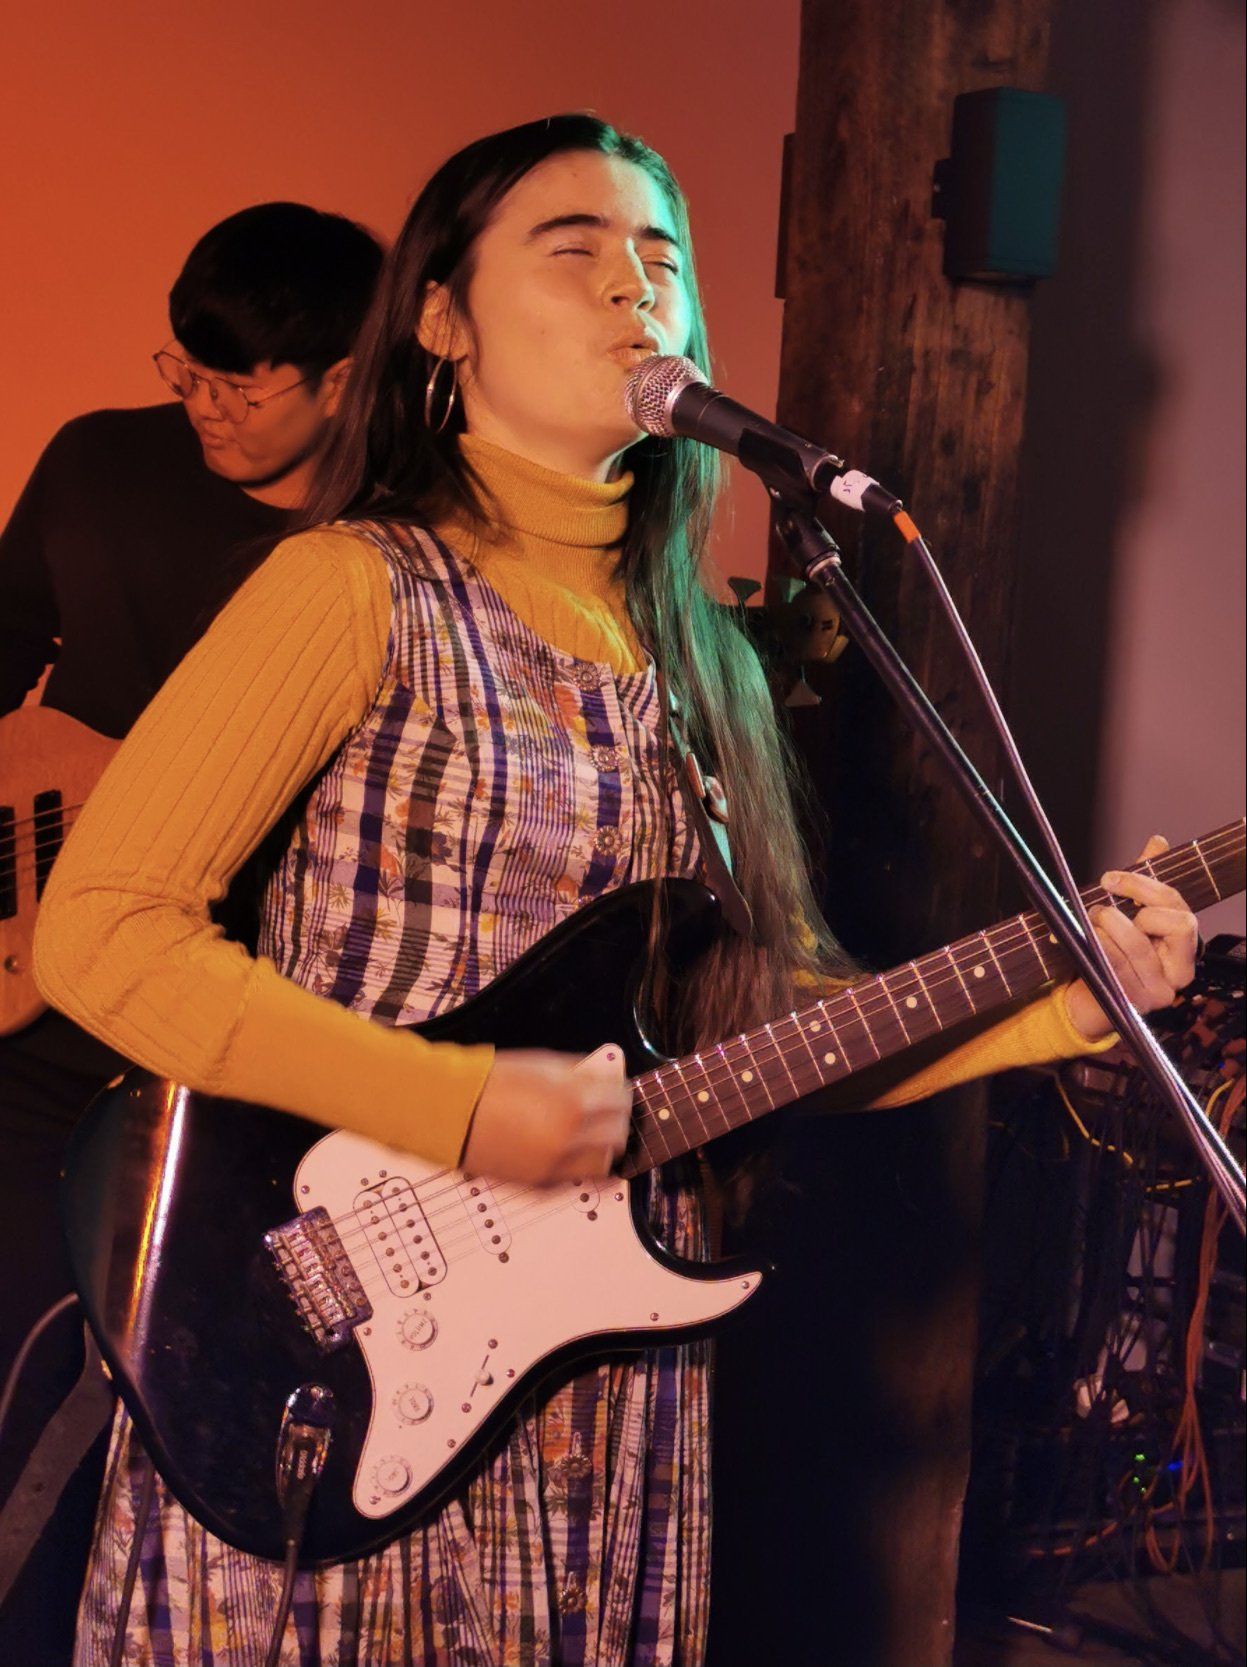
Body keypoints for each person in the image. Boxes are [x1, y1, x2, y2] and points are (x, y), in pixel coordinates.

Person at [33, 116, 1198, 1667]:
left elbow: (758, 1035)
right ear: (441, 320)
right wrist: (455, 1104)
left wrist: (1056, 1011)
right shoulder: (353, 588)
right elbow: (101, 932)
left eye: (660, 258)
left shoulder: (704, 662)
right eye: (571, 248)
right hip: (348, 1331)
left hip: (596, 1366)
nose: (631, 289)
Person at [0, 201, 383, 1664]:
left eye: (241, 384)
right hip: (40, 1008)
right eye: (186, 371)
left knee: (157, 1416)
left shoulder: (383, 549)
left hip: (227, 1046)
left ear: (344, 376)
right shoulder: (99, 462)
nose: (203, 408)